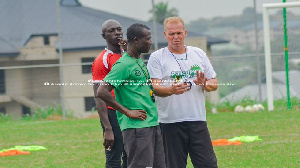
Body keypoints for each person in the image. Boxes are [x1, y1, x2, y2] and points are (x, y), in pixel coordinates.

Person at [147, 17, 218, 168]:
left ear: (185, 33)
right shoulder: (157, 57)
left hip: (197, 120)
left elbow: (214, 83)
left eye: (179, 33)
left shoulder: (198, 53)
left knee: (208, 164)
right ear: (165, 35)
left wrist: (205, 84)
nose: (176, 37)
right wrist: (171, 90)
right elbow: (154, 88)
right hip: (170, 122)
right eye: (171, 34)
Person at [97, 23, 166, 168]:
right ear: (136, 40)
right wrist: (127, 112)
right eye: (147, 39)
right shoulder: (123, 65)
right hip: (137, 128)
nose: (150, 42)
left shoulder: (137, 59)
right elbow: (102, 91)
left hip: (152, 123)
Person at [92, 19, 127, 168]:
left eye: (119, 29)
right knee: (114, 157)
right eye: (111, 31)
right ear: (104, 36)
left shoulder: (127, 55)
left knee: (131, 154)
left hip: (129, 112)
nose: (117, 33)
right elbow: (98, 96)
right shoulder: (102, 60)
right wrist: (107, 128)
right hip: (113, 114)